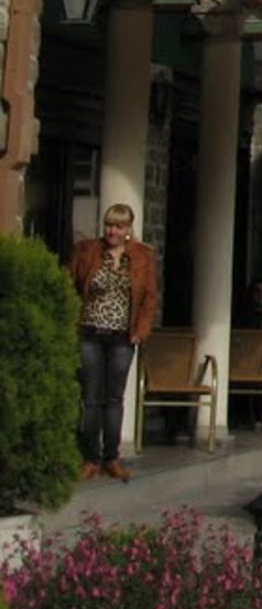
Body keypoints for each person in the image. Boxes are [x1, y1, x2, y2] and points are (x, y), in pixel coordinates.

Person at [70, 202, 158, 482]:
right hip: (90, 332)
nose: (112, 231)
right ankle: (90, 458)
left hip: (122, 336)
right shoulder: (88, 251)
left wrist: (140, 332)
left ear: (128, 229)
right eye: (109, 225)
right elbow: (70, 285)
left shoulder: (143, 257)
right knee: (91, 398)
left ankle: (112, 457)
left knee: (114, 398)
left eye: (119, 226)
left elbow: (149, 299)